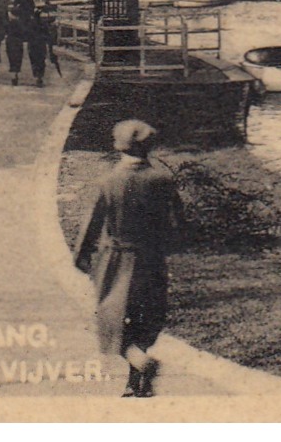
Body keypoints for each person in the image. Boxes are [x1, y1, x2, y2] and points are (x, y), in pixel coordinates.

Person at [72, 120, 184, 398]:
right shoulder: (162, 179)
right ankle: (135, 382)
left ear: (118, 146)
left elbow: (91, 226)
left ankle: (138, 361)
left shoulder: (108, 181)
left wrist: (82, 258)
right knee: (146, 317)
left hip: (115, 260)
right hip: (151, 258)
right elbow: (177, 225)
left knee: (111, 319)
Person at [25, 2, 54, 87]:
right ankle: (39, 76)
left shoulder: (30, 23)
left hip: (33, 45)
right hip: (40, 44)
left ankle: (38, 75)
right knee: (40, 60)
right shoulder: (43, 24)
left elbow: (27, 34)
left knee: (34, 60)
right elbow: (47, 34)